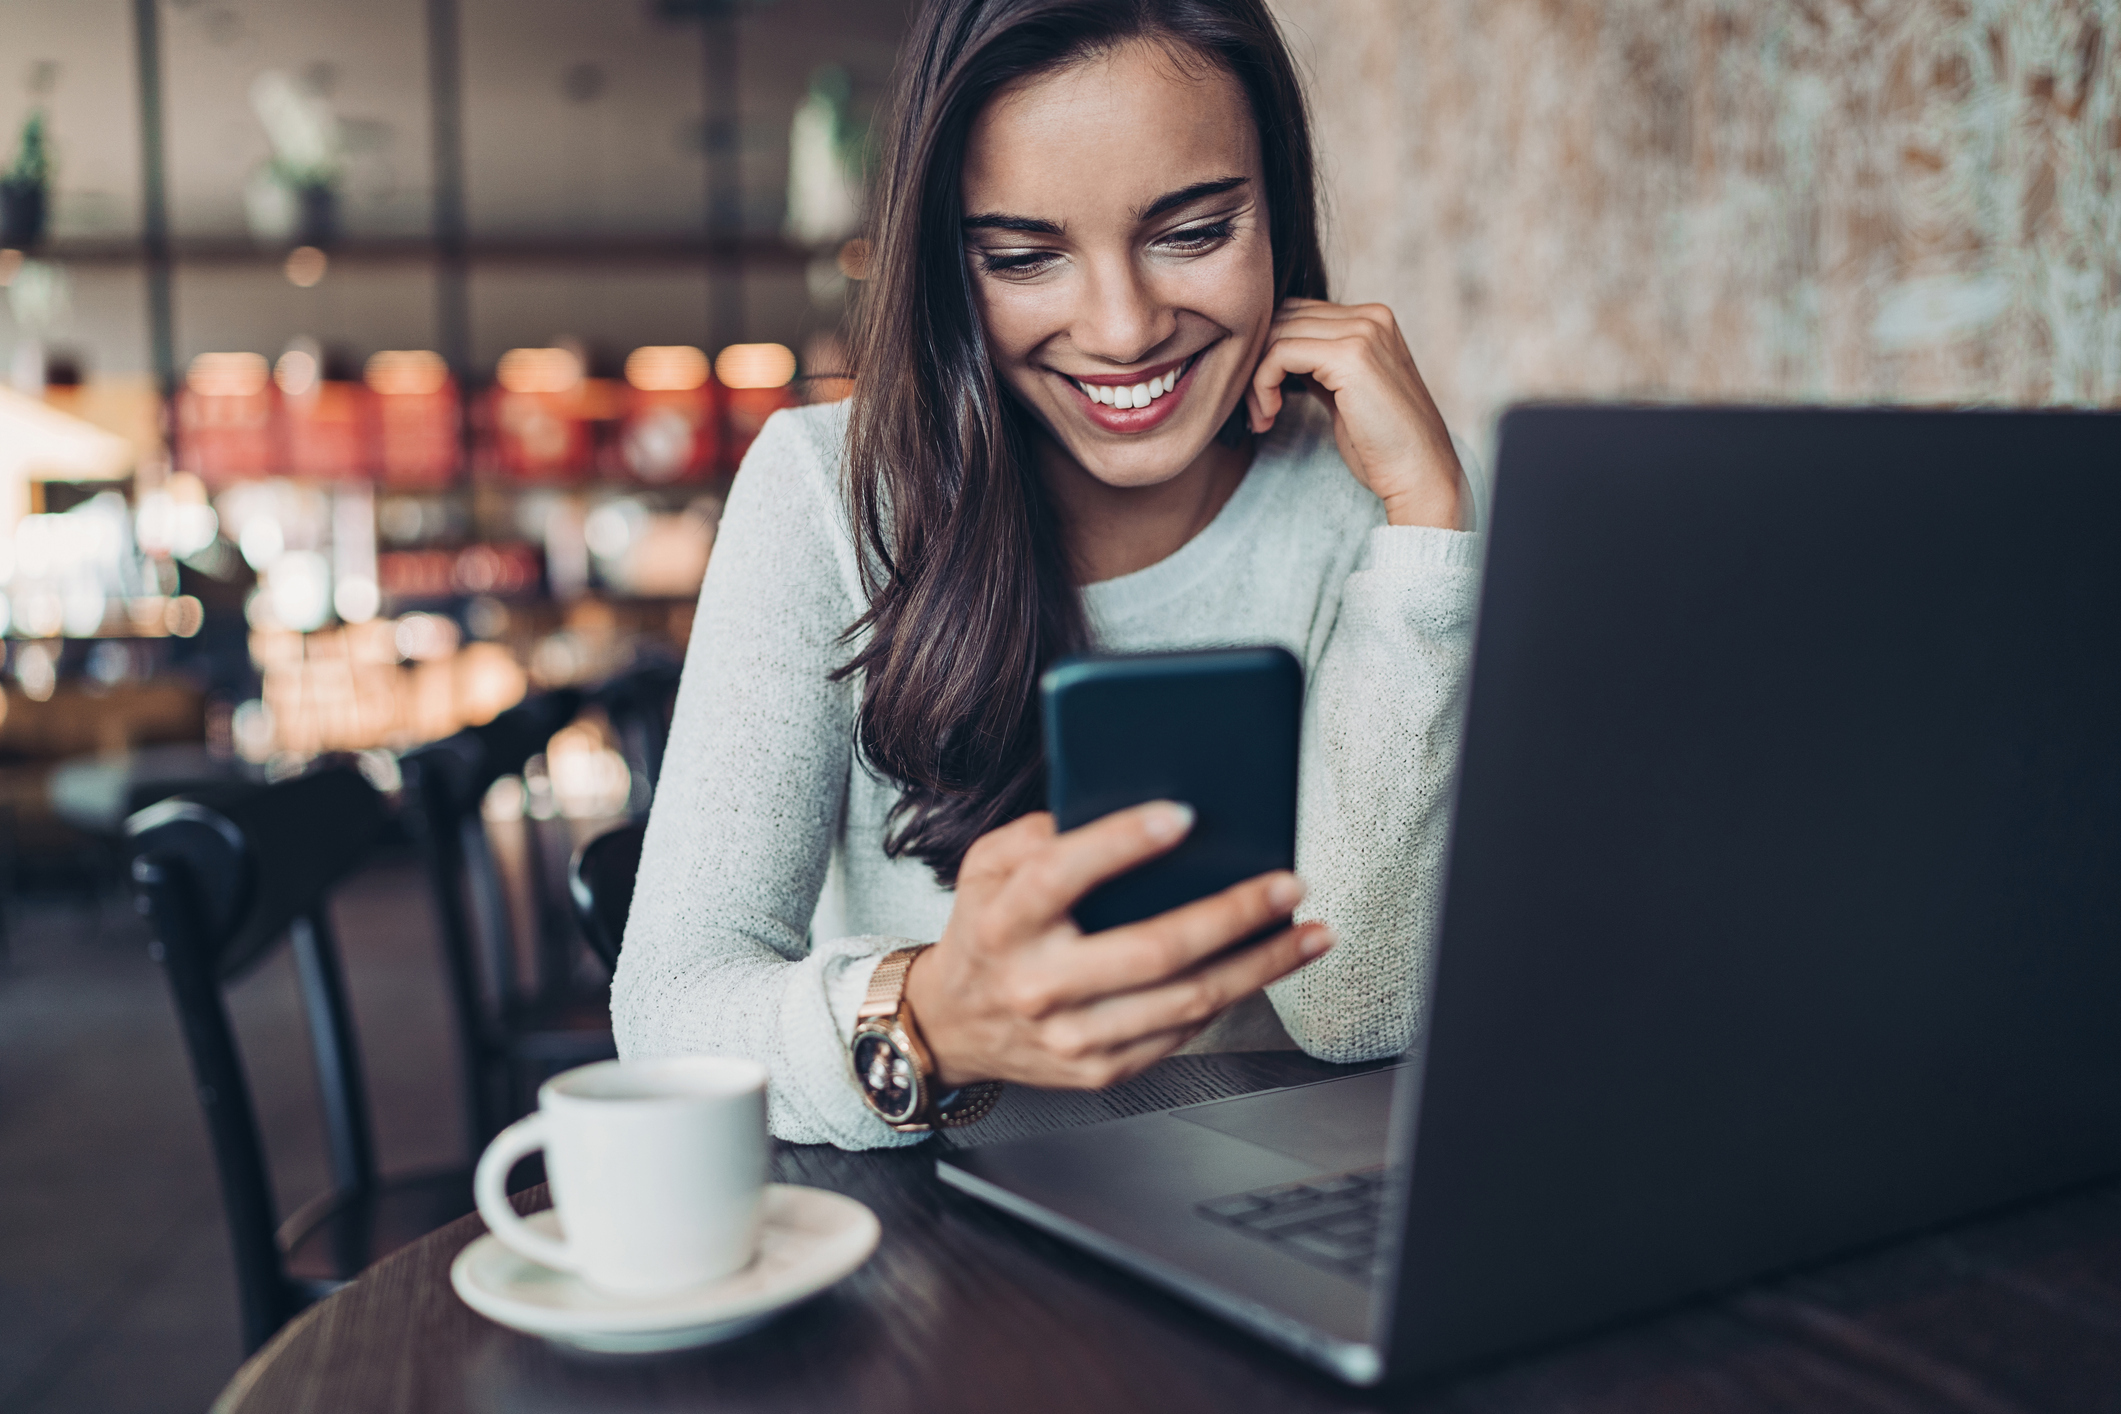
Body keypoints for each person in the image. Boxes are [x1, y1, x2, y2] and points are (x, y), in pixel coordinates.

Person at [612, 0, 1484, 1148]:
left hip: (1268, 1217)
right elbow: (667, 1013)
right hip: (938, 1250)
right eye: (1024, 257)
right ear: (946, 266)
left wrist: (1428, 527)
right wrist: (933, 1020)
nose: (1123, 329)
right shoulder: (829, 492)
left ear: (1278, 204)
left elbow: (1361, 1008)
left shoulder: (1352, 506)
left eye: (1194, 232)